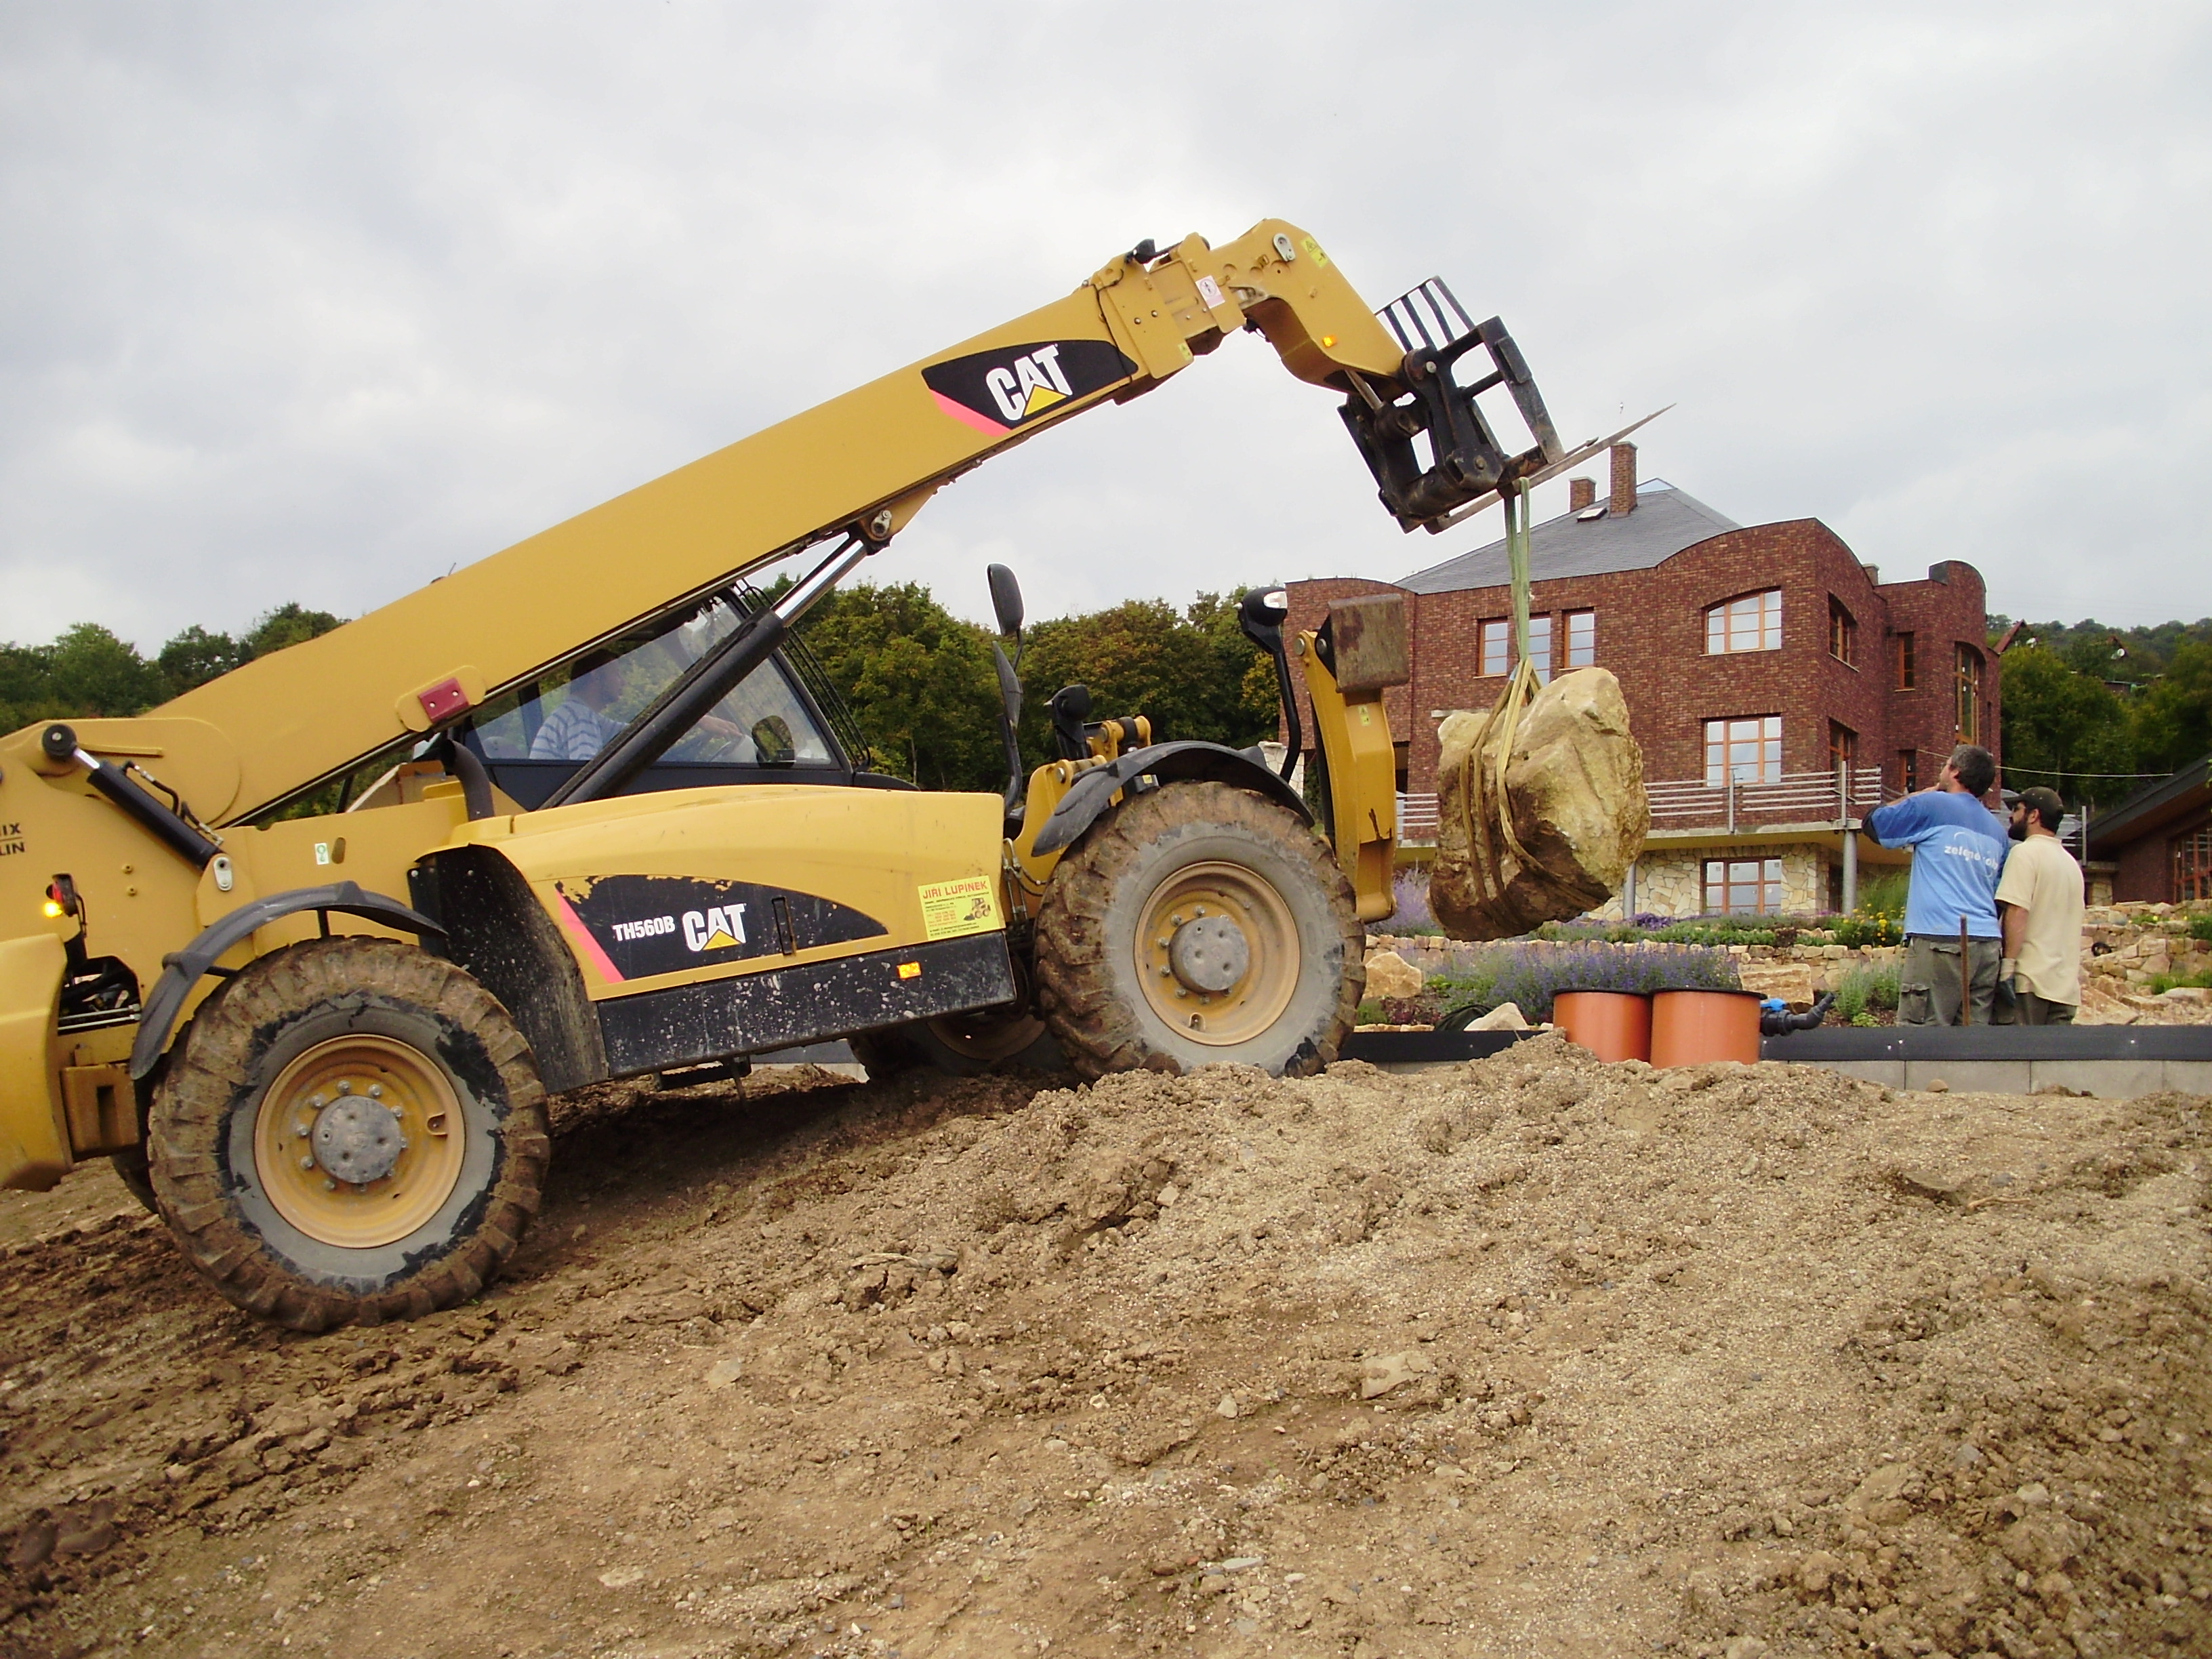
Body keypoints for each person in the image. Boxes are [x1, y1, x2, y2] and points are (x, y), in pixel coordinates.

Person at [1865, 743, 2010, 1025]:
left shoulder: (1933, 805)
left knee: (1923, 1042)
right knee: (1970, 1043)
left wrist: (1924, 794)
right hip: (1987, 948)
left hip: (1940, 942)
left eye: (1945, 765)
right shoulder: (1997, 832)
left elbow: (1874, 824)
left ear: (1955, 771)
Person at [1995, 784, 2085, 1025]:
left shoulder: (2025, 854)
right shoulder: (2071, 864)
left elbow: (2017, 911)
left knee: (2020, 1059)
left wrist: (2008, 967)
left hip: (2030, 983)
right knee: (2054, 1061)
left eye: (2017, 809)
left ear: (2033, 815)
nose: (2012, 816)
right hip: (2065, 988)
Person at [529, 648, 626, 760]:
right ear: (596, 676)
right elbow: (590, 770)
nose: (623, 682)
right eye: (617, 674)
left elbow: (633, 733)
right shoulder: (579, 716)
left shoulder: (577, 713)